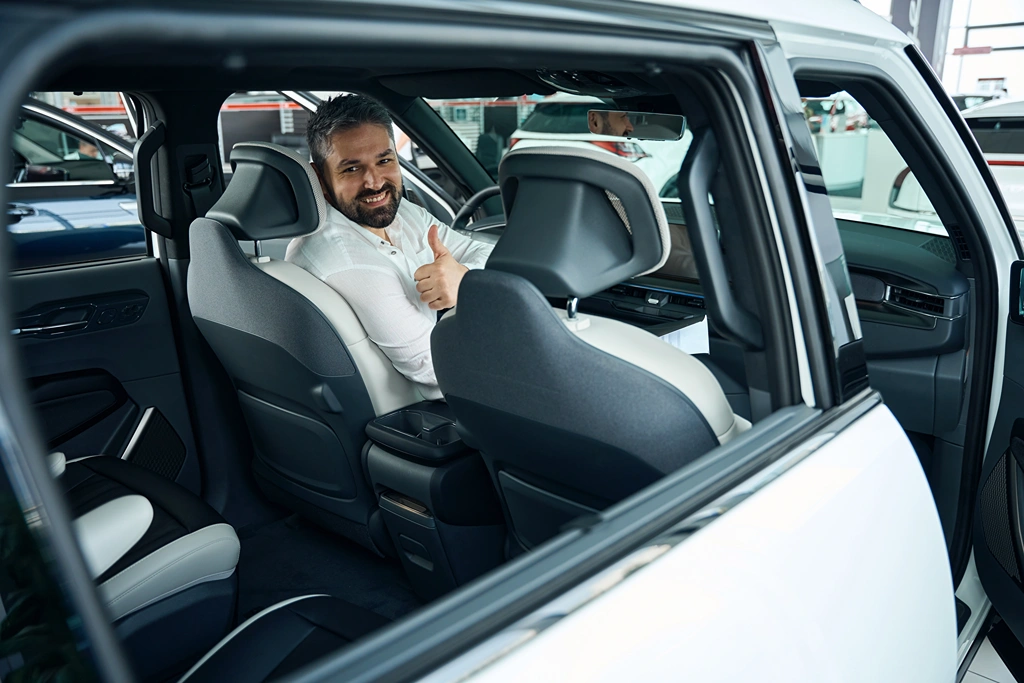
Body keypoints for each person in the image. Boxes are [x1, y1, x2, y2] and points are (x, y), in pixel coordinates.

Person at [286, 94, 493, 400]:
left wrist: (465, 277)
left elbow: (485, 252)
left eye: (384, 160)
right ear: (321, 178)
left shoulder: (400, 213)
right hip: (433, 416)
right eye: (351, 169)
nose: (374, 182)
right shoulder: (345, 262)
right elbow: (437, 370)